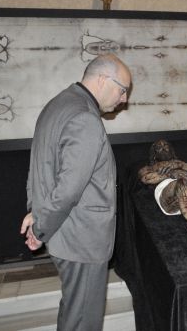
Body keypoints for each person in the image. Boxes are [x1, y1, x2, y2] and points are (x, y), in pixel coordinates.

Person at [20, 53, 132, 331]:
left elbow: (40, 170)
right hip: (81, 240)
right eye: (123, 89)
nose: (124, 99)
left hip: (65, 237)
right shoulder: (84, 118)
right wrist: (40, 228)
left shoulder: (56, 105)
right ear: (104, 79)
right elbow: (69, 189)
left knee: (74, 313)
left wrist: (35, 213)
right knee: (83, 321)